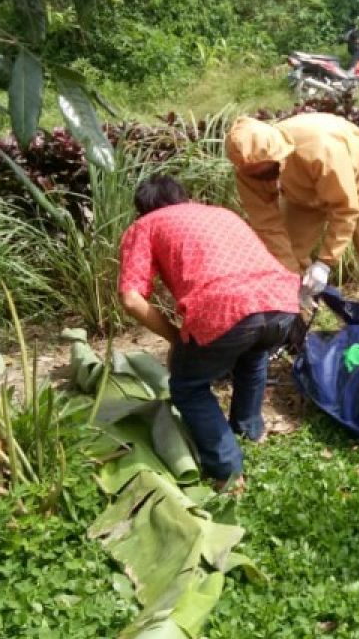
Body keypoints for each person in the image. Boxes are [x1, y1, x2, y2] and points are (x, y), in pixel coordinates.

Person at [118, 175, 301, 490]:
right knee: (253, 353)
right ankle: (249, 431)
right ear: (184, 197)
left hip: (226, 309)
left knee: (188, 385)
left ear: (142, 210)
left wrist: (176, 338)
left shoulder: (146, 225)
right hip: (283, 303)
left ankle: (227, 471)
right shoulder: (220, 213)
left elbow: (131, 299)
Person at [225, 112, 359, 314]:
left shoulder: (321, 149)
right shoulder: (248, 171)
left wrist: (325, 263)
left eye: (270, 171)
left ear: (280, 154)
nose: (266, 179)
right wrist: (292, 281)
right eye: (258, 176)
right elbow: (267, 227)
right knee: (289, 254)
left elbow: (344, 209)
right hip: (302, 192)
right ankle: (296, 319)